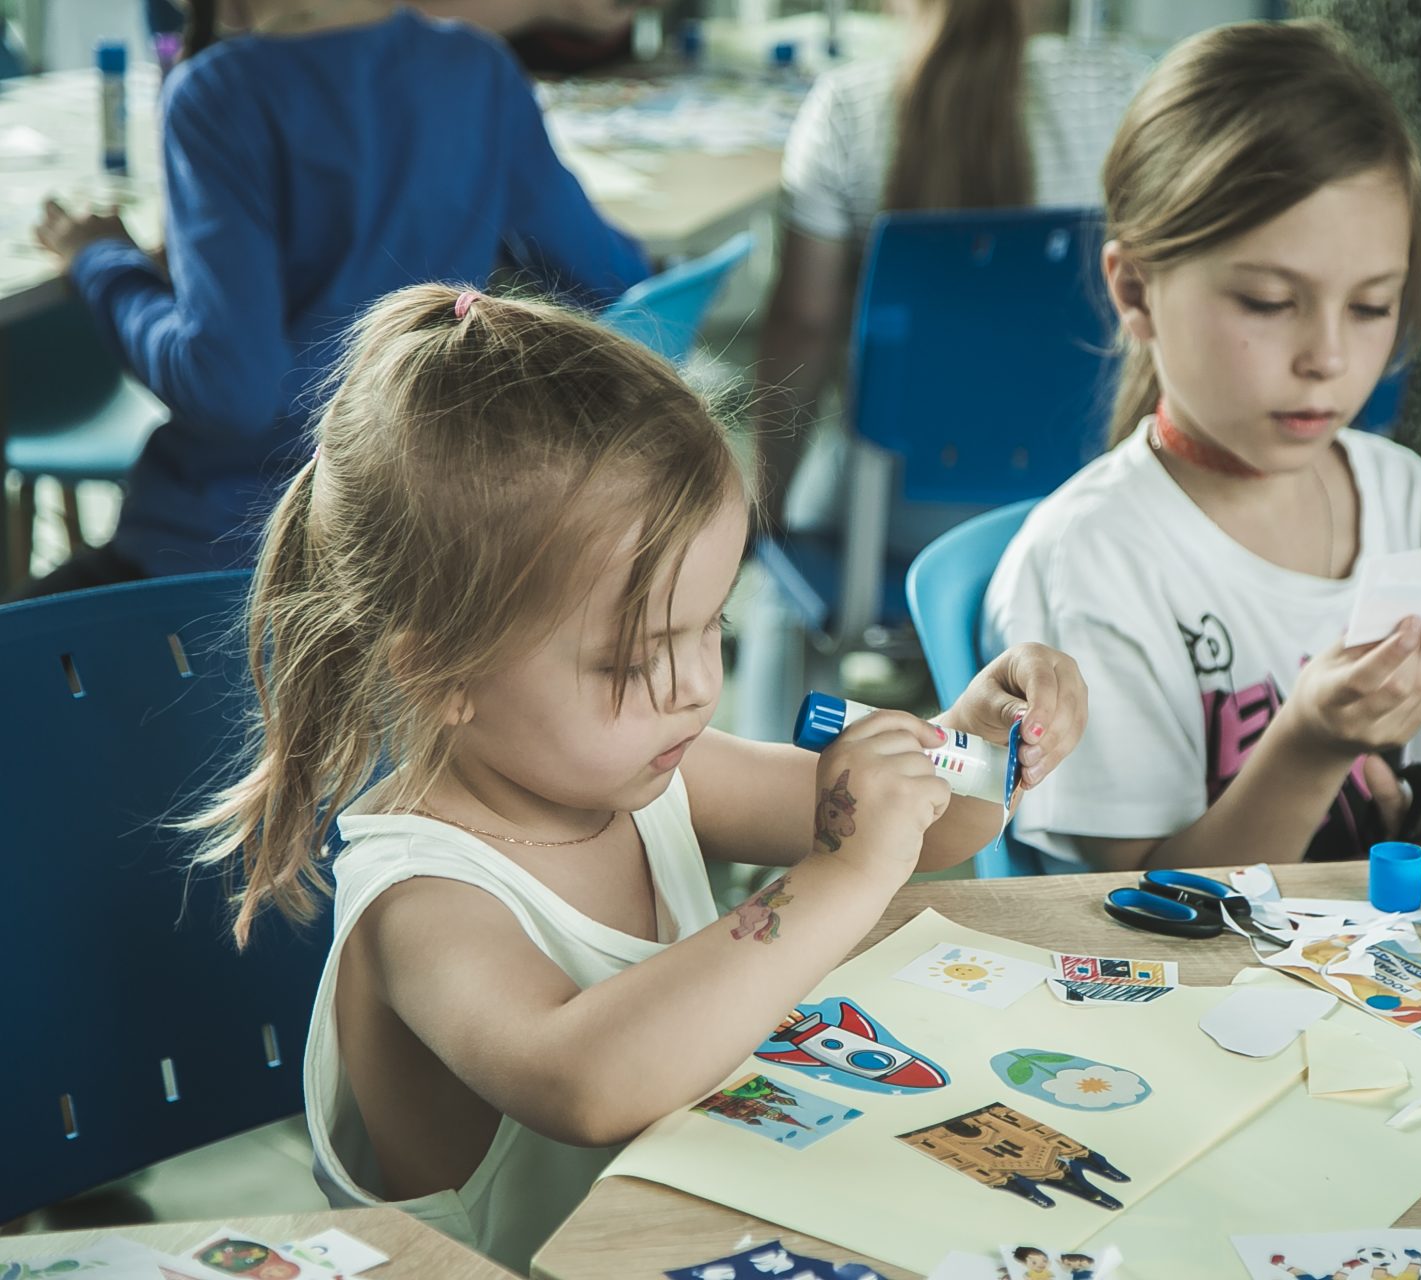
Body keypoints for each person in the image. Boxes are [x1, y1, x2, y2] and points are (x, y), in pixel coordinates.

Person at [188, 285, 1087, 1270]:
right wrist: (839, 874)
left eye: (712, 626)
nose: (698, 684)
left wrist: (979, 740)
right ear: (442, 673)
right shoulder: (422, 897)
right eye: (634, 660)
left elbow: (929, 826)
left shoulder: (652, 773)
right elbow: (586, 1081)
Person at [983, 19, 1421, 873]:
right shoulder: (1091, 560)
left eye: (1372, 306)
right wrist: (1310, 745)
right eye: (1271, 302)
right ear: (1137, 292)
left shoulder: (1402, 496)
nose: (1328, 358)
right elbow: (1136, 905)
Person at [20, 0, 648, 601]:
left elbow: (232, 390)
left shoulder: (221, 91)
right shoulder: (477, 67)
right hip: (429, 552)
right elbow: (612, 278)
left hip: (235, 564)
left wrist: (102, 263)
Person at [751, 0, 1149, 532]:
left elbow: (804, 325)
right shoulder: (1119, 92)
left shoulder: (844, 111)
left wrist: (768, 504)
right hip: (1069, 509)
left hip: (882, 514)